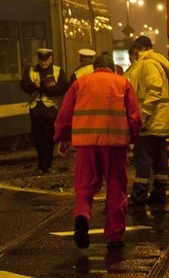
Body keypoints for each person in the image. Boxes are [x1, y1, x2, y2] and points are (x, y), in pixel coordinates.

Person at [54, 53, 142, 249]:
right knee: (116, 187)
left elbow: (65, 113)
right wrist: (133, 137)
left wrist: (62, 138)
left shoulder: (81, 83)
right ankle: (114, 236)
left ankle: (82, 215)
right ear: (112, 67)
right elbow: (135, 116)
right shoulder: (123, 83)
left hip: (85, 143)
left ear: (94, 68)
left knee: (84, 186)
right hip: (115, 144)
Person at [125, 35, 169, 206]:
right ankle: (159, 193)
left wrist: (142, 116)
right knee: (160, 158)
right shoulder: (156, 62)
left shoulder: (148, 64)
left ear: (139, 49)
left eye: (134, 51)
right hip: (160, 121)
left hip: (150, 121)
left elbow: (154, 90)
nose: (133, 55)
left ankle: (139, 195)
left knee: (143, 158)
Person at [21, 48, 69, 173]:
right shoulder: (31, 70)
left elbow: (62, 87)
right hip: (36, 109)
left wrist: (43, 88)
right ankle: (41, 164)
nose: (44, 62)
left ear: (50, 59)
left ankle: (47, 165)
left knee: (48, 138)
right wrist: (33, 86)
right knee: (37, 138)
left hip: (50, 109)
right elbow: (24, 86)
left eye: (46, 60)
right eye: (42, 60)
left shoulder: (57, 71)